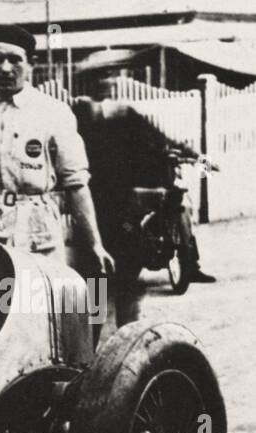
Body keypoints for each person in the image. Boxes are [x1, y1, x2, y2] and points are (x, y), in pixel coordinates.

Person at [0, 25, 115, 277]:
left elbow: (76, 185)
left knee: (35, 306)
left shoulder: (54, 112)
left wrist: (94, 244)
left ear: (31, 64)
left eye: (15, 60)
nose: (6, 68)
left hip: (36, 231)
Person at [73, 68, 215, 325]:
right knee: (97, 275)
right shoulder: (79, 116)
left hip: (123, 203)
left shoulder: (125, 115)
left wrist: (198, 157)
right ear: (91, 86)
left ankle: (126, 335)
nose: (106, 86)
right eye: (100, 81)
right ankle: (90, 343)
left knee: (126, 272)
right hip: (94, 204)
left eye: (109, 81)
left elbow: (159, 138)